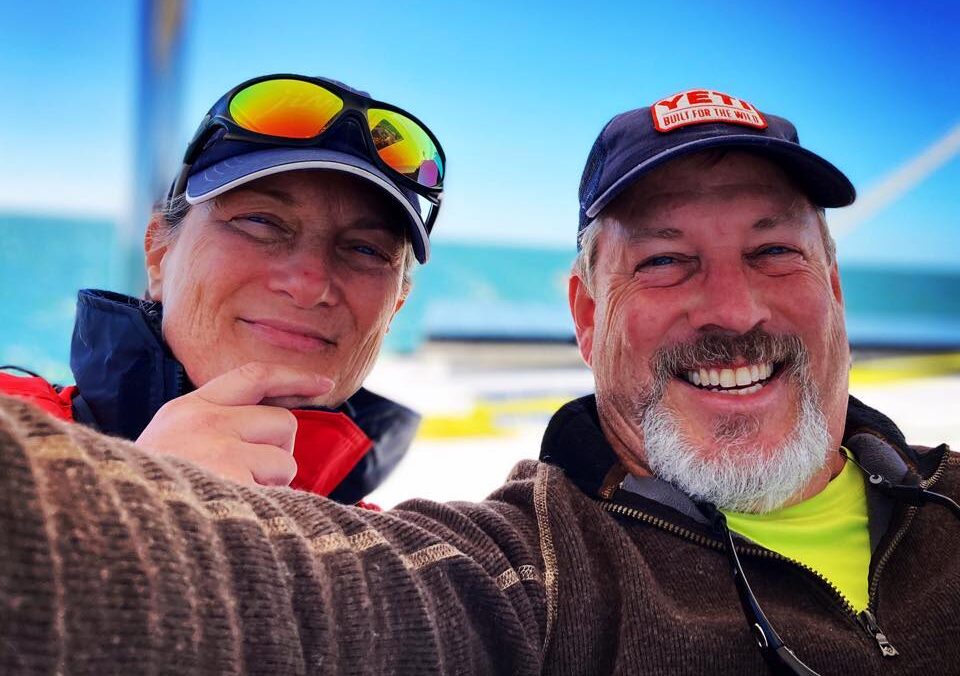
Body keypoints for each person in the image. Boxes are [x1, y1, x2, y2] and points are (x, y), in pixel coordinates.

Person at [1, 89, 957, 675]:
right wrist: (142, 502)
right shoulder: (535, 569)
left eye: (774, 251)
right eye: (664, 261)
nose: (733, 308)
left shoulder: (364, 522)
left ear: (833, 286)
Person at [0, 73, 446, 502]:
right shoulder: (14, 434)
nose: (309, 284)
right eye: (260, 221)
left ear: (394, 310)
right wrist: (135, 499)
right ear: (158, 255)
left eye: (366, 250)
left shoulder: (384, 555)